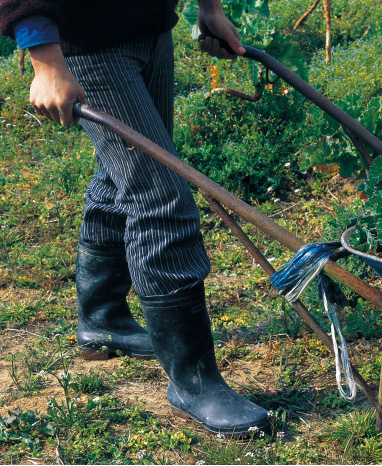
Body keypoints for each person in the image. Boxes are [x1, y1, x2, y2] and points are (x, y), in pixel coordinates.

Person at [0, 1, 270, 436]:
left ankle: (102, 319)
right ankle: (194, 383)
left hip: (150, 28)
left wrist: (209, 8)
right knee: (160, 195)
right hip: (88, 42)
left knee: (122, 173)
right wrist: (46, 60)